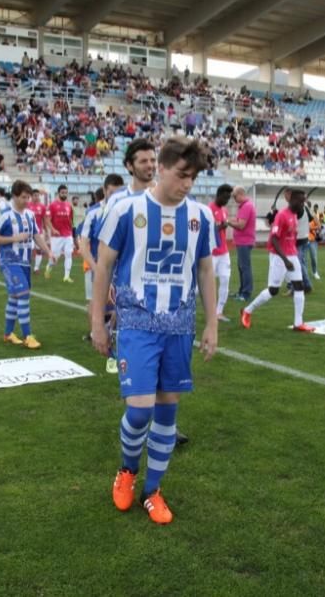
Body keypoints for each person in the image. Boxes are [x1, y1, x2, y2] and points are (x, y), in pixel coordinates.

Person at [91, 138, 218, 526]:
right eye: (182, 176)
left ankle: (153, 490)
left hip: (179, 327)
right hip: (137, 322)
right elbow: (104, 265)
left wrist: (212, 322)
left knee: (167, 413)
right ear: (160, 169)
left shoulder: (201, 216)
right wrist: (97, 319)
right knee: (140, 410)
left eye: (193, 178)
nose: (187, 185)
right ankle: (128, 470)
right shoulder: (126, 209)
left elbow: (205, 269)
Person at [240, 189, 315, 332]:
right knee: (273, 290)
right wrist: (285, 260)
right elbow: (274, 239)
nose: (303, 204)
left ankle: (298, 323)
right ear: (292, 200)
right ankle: (247, 311)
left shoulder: (294, 215)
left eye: (304, 201)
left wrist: (293, 254)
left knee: (299, 287)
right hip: (279, 256)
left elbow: (291, 238)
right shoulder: (281, 215)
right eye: (301, 201)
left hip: (292, 255)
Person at [0, 180, 52, 349]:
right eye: (24, 197)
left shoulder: (30, 215)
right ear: (15, 196)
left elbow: (36, 235)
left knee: (15, 297)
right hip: (9, 261)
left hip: (25, 261)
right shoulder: (4, 214)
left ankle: (8, 333)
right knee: (23, 294)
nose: (27, 201)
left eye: (29, 197)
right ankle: (28, 335)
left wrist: (48, 251)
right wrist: (13, 238)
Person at [79, 174, 125, 373]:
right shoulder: (94, 212)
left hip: (121, 269)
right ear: (105, 191)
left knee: (119, 307)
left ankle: (114, 345)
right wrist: (96, 267)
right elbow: (83, 244)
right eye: (113, 192)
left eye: (119, 192)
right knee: (98, 304)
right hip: (100, 268)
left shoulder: (126, 210)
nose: (116, 196)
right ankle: (97, 336)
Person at [207, 184, 234, 321]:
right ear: (219, 194)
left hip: (224, 252)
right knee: (203, 284)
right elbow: (205, 231)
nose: (227, 200)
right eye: (225, 197)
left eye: (229, 198)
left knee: (225, 280)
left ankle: (219, 312)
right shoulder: (208, 210)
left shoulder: (224, 210)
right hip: (211, 253)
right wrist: (219, 227)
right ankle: (186, 305)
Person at [229, 185, 256, 301]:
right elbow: (239, 221)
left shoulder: (246, 206)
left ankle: (246, 293)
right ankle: (242, 291)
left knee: (244, 267)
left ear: (240, 194)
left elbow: (241, 225)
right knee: (242, 267)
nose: (234, 199)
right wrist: (231, 221)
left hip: (245, 241)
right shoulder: (244, 206)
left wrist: (227, 222)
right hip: (242, 241)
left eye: (235, 196)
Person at [45, 184, 75, 282]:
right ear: (58, 193)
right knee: (55, 257)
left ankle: (66, 276)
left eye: (66, 193)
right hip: (57, 236)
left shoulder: (69, 205)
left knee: (68, 254)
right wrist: (53, 229)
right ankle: (49, 267)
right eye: (62, 193)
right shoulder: (52, 205)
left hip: (68, 234)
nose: (64, 194)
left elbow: (71, 220)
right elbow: (47, 220)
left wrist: (72, 234)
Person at [26, 189, 48, 273]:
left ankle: (36, 268)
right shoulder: (27, 205)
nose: (37, 197)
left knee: (39, 250)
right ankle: (27, 265)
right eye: (35, 195)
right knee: (29, 250)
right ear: (31, 196)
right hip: (28, 232)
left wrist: (46, 231)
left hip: (39, 232)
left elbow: (44, 219)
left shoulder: (42, 207)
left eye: (38, 195)